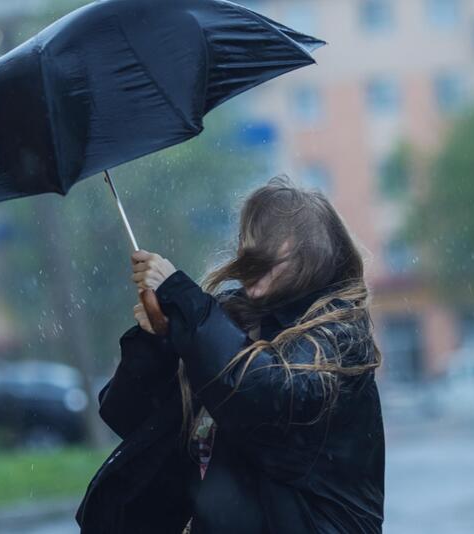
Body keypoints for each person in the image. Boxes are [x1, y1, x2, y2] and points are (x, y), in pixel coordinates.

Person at [76, 177, 385, 533]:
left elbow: (263, 399)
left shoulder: (338, 340)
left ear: (307, 252)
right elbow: (128, 415)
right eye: (246, 242)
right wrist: (157, 341)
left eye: (265, 245)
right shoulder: (226, 325)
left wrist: (183, 297)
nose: (246, 255)